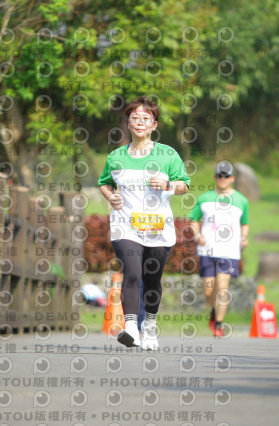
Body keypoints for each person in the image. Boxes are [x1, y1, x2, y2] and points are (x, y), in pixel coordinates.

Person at [98, 96, 190, 350]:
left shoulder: (167, 154)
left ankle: (148, 324)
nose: (139, 122)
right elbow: (104, 182)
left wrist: (169, 184)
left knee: (151, 279)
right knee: (132, 273)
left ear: (154, 125)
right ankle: (130, 328)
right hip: (125, 225)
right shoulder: (115, 157)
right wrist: (111, 196)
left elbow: (184, 185)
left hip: (158, 229)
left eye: (145, 119)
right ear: (127, 123)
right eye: (134, 118)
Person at [188, 161, 249, 337]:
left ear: (232, 178)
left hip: (229, 251)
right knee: (209, 289)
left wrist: (244, 238)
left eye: (226, 176)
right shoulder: (205, 198)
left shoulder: (241, 201)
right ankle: (214, 312)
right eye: (220, 176)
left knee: (222, 287)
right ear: (215, 177)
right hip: (208, 250)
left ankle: (218, 325)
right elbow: (193, 221)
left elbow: (244, 224)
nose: (223, 179)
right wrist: (197, 235)